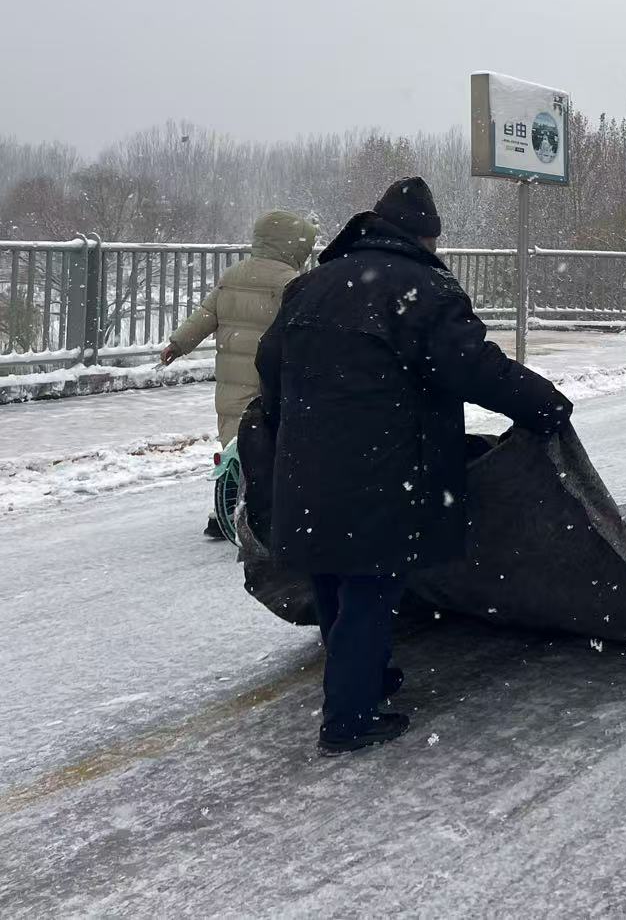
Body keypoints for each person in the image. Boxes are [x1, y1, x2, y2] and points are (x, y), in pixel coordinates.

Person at [255, 177, 571, 756]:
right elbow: (474, 367)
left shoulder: (312, 285)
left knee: (331, 577)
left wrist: (289, 425)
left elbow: (270, 362)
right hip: (383, 464)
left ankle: (366, 678)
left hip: (308, 460)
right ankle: (349, 719)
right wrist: (544, 404)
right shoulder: (422, 288)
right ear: (425, 236)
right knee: (371, 588)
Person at [161, 209, 317, 539]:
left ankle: (222, 509)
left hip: (230, 379)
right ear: (293, 245)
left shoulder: (233, 275)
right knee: (269, 444)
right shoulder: (292, 283)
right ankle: (257, 510)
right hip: (271, 378)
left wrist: (178, 344)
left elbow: (206, 314)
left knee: (233, 439)